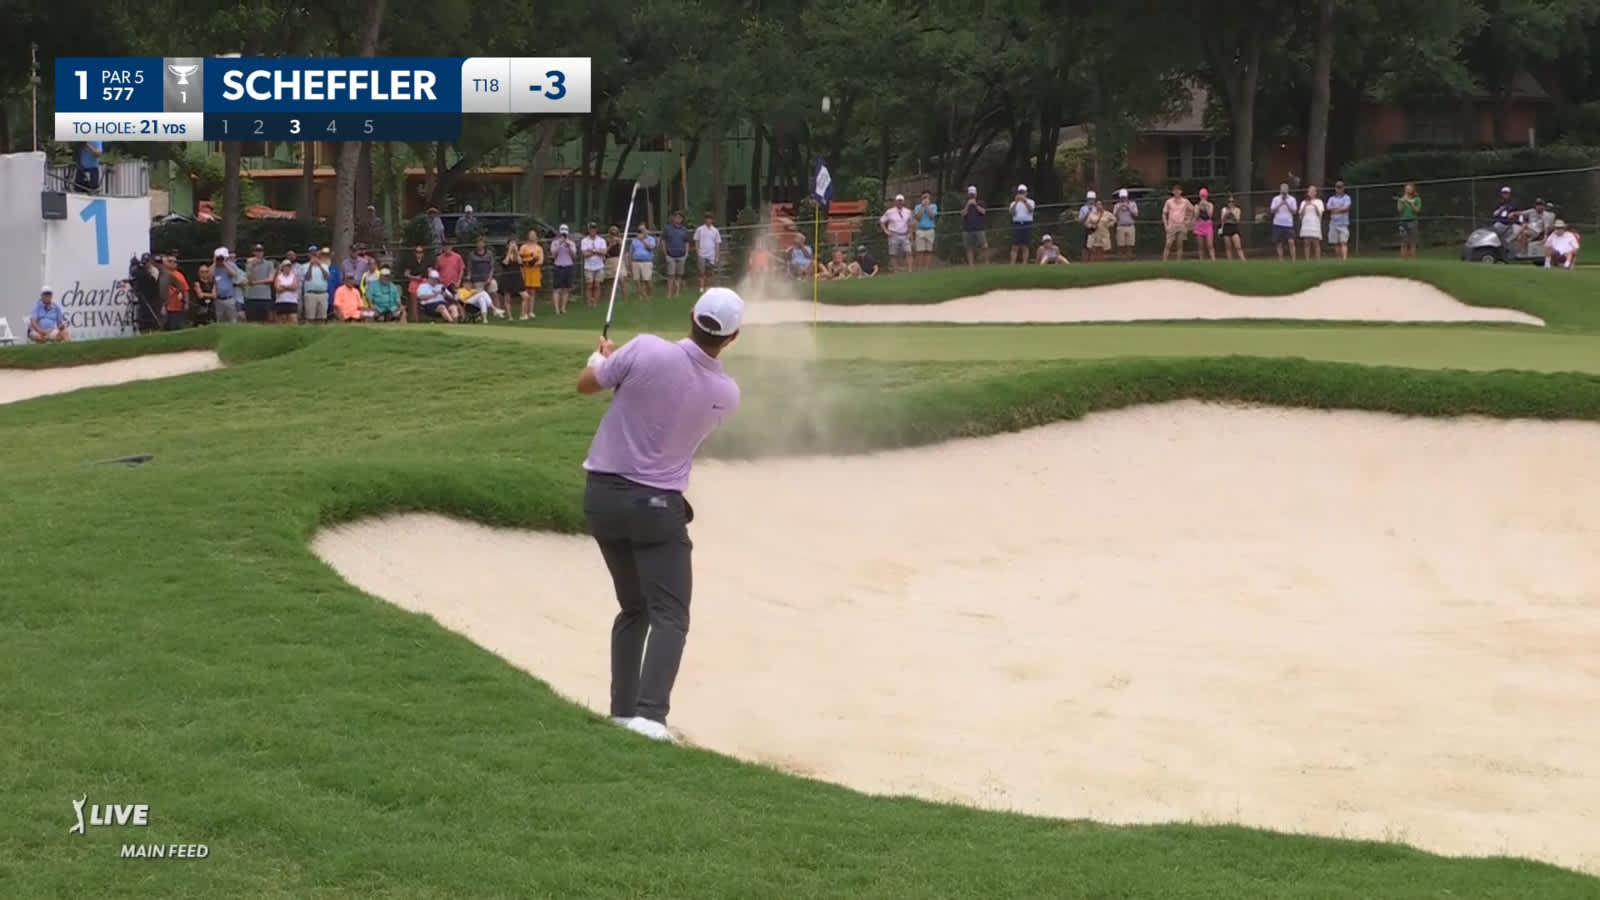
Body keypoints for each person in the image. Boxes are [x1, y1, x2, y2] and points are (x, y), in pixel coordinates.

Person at [577, 287, 745, 743]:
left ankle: (622, 713)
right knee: (670, 613)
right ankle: (650, 719)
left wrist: (600, 363)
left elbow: (587, 384)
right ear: (732, 338)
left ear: (691, 314)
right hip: (655, 508)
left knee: (634, 608)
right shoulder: (726, 394)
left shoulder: (645, 348)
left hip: (602, 499)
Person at [244, 244, 276, 324]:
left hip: (265, 297)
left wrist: (256, 282)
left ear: (263, 252)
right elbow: (250, 280)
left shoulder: (269, 264)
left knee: (265, 321)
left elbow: (270, 279)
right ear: (254, 252)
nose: (259, 253)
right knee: (252, 321)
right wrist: (252, 267)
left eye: (260, 251)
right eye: (257, 251)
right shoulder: (249, 264)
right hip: (252, 297)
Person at [549, 225, 578, 315]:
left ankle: (563, 308)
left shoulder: (571, 243)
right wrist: (559, 245)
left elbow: (574, 256)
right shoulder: (555, 242)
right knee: (557, 289)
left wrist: (568, 246)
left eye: (565, 233)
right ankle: (557, 309)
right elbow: (553, 255)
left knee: (566, 289)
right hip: (558, 266)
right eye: (562, 233)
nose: (563, 235)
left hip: (568, 266)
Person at [662, 212, 691, 297]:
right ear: (673, 218)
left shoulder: (684, 230)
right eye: (676, 217)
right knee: (671, 275)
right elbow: (663, 240)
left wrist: (686, 253)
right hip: (670, 255)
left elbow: (686, 242)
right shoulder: (668, 229)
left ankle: (677, 293)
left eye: (679, 218)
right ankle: (669, 294)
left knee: (679, 275)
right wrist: (665, 253)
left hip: (681, 255)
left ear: (681, 219)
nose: (678, 219)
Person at [1161, 184, 1192, 262]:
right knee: (1168, 244)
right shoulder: (1169, 202)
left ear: (1181, 192)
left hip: (1181, 225)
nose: (1177, 192)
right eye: (1175, 191)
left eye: (1178, 190)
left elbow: (1192, 210)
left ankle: (1179, 262)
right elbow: (1164, 214)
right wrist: (1166, 225)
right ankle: (1164, 261)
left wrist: (1188, 220)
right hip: (1171, 225)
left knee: (1180, 244)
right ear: (1173, 192)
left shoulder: (1185, 201)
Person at [627, 222, 657, 300]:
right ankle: (641, 296)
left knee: (647, 280)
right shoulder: (634, 240)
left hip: (646, 262)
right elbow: (631, 252)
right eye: (639, 230)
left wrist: (643, 240)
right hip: (636, 262)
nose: (641, 232)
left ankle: (649, 295)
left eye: (643, 230)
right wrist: (629, 264)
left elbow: (651, 248)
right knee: (638, 281)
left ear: (646, 230)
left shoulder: (651, 239)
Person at [1269, 183, 1299, 261]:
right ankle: (1281, 260)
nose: (1284, 194)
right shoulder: (1276, 199)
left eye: (1285, 192)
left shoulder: (1292, 199)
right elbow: (1272, 211)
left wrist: (1287, 204)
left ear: (1287, 191)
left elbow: (1294, 212)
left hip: (1288, 224)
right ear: (1280, 191)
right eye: (1282, 192)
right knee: (1278, 243)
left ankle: (1293, 260)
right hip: (1277, 223)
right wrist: (1280, 204)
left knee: (1291, 242)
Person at [693, 211, 722, 291]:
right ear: (704, 220)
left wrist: (717, 256)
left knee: (709, 272)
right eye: (707, 219)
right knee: (702, 272)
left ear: (712, 220)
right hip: (702, 254)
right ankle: (701, 287)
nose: (708, 220)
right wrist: (698, 252)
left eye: (710, 219)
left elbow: (717, 244)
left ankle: (708, 287)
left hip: (711, 255)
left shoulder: (715, 231)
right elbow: (696, 241)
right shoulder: (700, 229)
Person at [519, 233, 546, 318]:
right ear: (528, 236)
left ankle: (531, 311)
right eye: (530, 234)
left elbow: (541, 260)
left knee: (532, 292)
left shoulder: (539, 248)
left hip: (535, 271)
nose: (532, 236)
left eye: (534, 234)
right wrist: (529, 260)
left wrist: (534, 263)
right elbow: (520, 259)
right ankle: (524, 312)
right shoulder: (523, 247)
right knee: (525, 291)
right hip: (525, 272)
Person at [213, 247, 242, 324]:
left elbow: (234, 274)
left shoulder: (230, 265)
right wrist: (215, 262)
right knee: (220, 321)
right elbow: (209, 276)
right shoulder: (214, 268)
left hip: (229, 299)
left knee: (233, 321)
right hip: (218, 300)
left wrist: (224, 263)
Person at [581, 223, 608, 307]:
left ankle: (595, 302)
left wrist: (592, 251)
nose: (593, 230)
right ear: (588, 230)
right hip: (589, 266)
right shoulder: (584, 241)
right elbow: (585, 254)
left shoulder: (601, 240)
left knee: (597, 285)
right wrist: (597, 252)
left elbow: (604, 252)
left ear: (596, 229)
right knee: (589, 285)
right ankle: (589, 302)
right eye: (591, 229)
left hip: (599, 266)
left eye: (594, 228)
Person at [498, 239, 526, 318]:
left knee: (525, 296)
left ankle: (522, 315)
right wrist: (509, 251)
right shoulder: (504, 255)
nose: (513, 245)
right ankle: (510, 317)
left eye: (514, 244)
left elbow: (521, 263)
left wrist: (516, 252)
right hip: (507, 277)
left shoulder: (517, 255)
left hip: (517, 277)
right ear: (507, 246)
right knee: (507, 298)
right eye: (511, 244)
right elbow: (505, 263)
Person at [960, 186, 987, 265]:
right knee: (969, 248)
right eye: (970, 194)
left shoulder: (980, 202)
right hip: (967, 229)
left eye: (973, 194)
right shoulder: (965, 203)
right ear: (968, 194)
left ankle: (986, 263)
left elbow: (983, 212)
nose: (972, 195)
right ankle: (971, 265)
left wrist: (975, 205)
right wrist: (968, 205)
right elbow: (962, 214)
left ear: (976, 194)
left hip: (979, 228)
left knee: (984, 246)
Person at [1008, 184, 1035, 264]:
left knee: (1025, 246)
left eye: (1023, 192)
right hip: (1017, 224)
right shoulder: (1013, 203)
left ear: (1026, 193)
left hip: (1027, 223)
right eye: (1020, 192)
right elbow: (1012, 213)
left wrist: (1025, 201)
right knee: (1015, 246)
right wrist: (1016, 202)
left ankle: (1024, 263)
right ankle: (1012, 264)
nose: (1021, 194)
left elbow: (1031, 210)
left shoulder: (1031, 201)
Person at [912, 190, 939, 270]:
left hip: (930, 230)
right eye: (924, 197)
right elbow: (918, 218)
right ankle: (920, 268)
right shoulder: (917, 207)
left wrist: (927, 207)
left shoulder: (933, 206)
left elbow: (932, 216)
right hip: (920, 230)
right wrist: (923, 207)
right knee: (920, 251)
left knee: (928, 250)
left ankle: (926, 268)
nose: (925, 199)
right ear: (921, 198)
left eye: (927, 197)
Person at [1326, 181, 1352, 259]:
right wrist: (1340, 209)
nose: (1339, 189)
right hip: (1333, 223)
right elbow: (1328, 207)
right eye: (1337, 187)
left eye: (1340, 187)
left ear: (1343, 188)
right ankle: (1339, 259)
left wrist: (1335, 210)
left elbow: (1346, 208)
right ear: (1335, 188)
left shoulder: (1346, 197)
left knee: (1343, 242)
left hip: (1343, 223)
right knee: (1335, 243)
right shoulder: (1331, 198)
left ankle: (1344, 259)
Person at [1299, 184, 1325, 261]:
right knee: (1306, 243)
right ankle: (1307, 260)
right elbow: (1301, 214)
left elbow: (1319, 214)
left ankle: (1318, 260)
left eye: (1312, 191)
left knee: (1316, 243)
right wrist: (1305, 205)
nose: (1310, 192)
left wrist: (1314, 206)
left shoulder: (1319, 201)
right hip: (1306, 224)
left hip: (1315, 224)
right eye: (1309, 191)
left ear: (1315, 192)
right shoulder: (1303, 202)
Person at [1396, 183, 1421, 260]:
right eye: (1407, 189)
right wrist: (1403, 203)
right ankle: (1404, 260)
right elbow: (1400, 211)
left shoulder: (1417, 199)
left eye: (1410, 188)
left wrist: (1411, 203)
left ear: (1413, 189)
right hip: (1403, 222)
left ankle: (1413, 260)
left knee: (1413, 242)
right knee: (1404, 242)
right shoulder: (1401, 199)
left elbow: (1417, 211)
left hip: (1413, 221)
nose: (1408, 190)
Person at [272, 258, 301, 324]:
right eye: (286, 266)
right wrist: (289, 287)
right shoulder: (278, 277)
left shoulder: (294, 276)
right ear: (283, 267)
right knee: (281, 319)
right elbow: (278, 289)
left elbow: (294, 287)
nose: (288, 268)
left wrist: (284, 286)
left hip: (292, 301)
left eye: (289, 266)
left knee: (293, 318)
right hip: (280, 301)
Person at [1113, 188, 1138, 261]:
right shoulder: (1117, 205)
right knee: (1121, 244)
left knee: (1130, 244)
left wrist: (1128, 208)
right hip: (1121, 226)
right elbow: (1114, 216)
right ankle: (1121, 259)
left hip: (1130, 225)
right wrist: (1119, 208)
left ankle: (1129, 258)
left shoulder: (1133, 204)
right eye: (1121, 197)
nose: (1123, 199)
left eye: (1124, 197)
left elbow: (1135, 215)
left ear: (1127, 197)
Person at [1192, 188, 1216, 261]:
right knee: (1200, 245)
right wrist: (1199, 207)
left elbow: (1210, 215)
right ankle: (1201, 260)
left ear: (1207, 196)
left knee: (1210, 244)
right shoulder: (1196, 205)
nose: (1203, 197)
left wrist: (1206, 207)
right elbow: (1196, 216)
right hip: (1199, 225)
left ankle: (1213, 259)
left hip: (1208, 225)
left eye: (1204, 196)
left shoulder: (1210, 204)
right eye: (1202, 196)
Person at [1220, 195, 1245, 261]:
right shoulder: (1224, 209)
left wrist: (1233, 214)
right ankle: (1230, 261)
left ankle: (1243, 260)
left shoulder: (1237, 209)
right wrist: (1226, 214)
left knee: (1238, 246)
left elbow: (1238, 220)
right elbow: (1222, 219)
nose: (1231, 203)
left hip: (1234, 227)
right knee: (1228, 247)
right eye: (1229, 201)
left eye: (1232, 201)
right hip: (1226, 227)